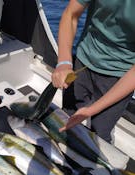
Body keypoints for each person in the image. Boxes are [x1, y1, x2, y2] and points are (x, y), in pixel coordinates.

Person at [51, 0, 135, 143]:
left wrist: (91, 110)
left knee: (99, 134)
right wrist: (64, 62)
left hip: (120, 75)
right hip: (82, 59)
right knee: (66, 118)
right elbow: (71, 14)